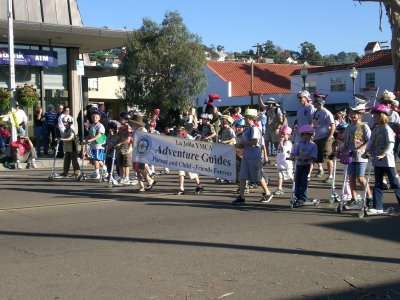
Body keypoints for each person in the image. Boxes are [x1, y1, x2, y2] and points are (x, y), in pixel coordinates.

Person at [362, 104, 400, 213]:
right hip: (377, 161)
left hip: (387, 162)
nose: (373, 118)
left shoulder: (387, 129)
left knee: (395, 184)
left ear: (382, 116)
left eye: (375, 116)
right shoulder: (376, 129)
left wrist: (384, 154)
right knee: (378, 184)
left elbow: (391, 144)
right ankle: (377, 207)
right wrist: (366, 151)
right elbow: (370, 142)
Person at [232, 108, 273, 205]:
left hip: (254, 156)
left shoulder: (254, 129)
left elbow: (254, 141)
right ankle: (241, 196)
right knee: (243, 176)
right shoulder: (247, 130)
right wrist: (241, 145)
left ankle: (267, 193)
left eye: (245, 117)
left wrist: (242, 143)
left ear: (250, 118)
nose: (244, 119)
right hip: (247, 156)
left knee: (257, 176)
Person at [342, 103, 372, 205]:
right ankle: (354, 199)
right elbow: (344, 140)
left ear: (360, 115)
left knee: (360, 177)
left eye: (355, 113)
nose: (352, 115)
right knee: (351, 177)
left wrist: (360, 148)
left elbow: (369, 140)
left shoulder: (364, 126)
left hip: (361, 157)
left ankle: (369, 197)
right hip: (350, 156)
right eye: (351, 113)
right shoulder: (348, 127)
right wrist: (341, 149)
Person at [290, 125, 318, 205]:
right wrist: (292, 156)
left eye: (308, 135)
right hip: (298, 165)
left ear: (311, 136)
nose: (306, 137)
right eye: (304, 135)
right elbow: (294, 152)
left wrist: (307, 158)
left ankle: (302, 198)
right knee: (297, 182)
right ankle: (296, 197)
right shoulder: (299, 144)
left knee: (303, 182)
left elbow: (313, 156)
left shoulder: (313, 145)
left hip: (306, 165)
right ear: (301, 135)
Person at [312, 93, 336, 183]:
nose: (313, 103)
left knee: (328, 156)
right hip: (317, 138)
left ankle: (330, 176)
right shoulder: (316, 112)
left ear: (319, 102)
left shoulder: (326, 112)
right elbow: (315, 124)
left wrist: (329, 137)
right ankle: (320, 171)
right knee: (318, 157)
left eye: (315, 101)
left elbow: (333, 126)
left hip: (325, 138)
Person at [174, 127, 205, 195]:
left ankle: (199, 185)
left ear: (185, 131)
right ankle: (181, 188)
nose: (180, 133)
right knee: (181, 172)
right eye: (179, 131)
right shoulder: (179, 137)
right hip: (182, 157)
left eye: (181, 131)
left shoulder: (189, 138)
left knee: (192, 173)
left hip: (189, 158)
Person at [130, 114, 156, 192]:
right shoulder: (135, 131)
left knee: (139, 168)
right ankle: (141, 186)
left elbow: (146, 140)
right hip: (135, 151)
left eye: (133, 123)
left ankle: (149, 179)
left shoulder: (142, 130)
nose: (132, 124)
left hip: (141, 152)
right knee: (136, 169)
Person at [83, 110, 107, 179]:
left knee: (96, 159)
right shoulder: (92, 126)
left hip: (99, 145)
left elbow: (99, 135)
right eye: (93, 117)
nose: (94, 118)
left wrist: (90, 140)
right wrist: (86, 140)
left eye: (96, 117)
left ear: (99, 118)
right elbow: (90, 135)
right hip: (93, 145)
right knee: (96, 159)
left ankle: (97, 172)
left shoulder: (100, 126)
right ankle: (103, 168)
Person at [273, 125, 294, 195]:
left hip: (286, 164)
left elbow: (283, 151)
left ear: (288, 135)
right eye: (282, 133)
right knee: (280, 176)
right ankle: (279, 188)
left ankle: (297, 185)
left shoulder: (288, 143)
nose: (282, 135)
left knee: (290, 176)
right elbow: (279, 152)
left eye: (284, 134)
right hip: (280, 163)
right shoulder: (281, 143)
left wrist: (281, 143)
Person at [115, 112, 133, 184]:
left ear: (126, 119)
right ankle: (121, 177)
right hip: (121, 148)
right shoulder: (121, 128)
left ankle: (126, 177)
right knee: (120, 164)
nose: (120, 120)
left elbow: (128, 140)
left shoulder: (128, 128)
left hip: (127, 148)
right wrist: (115, 143)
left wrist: (120, 143)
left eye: (121, 119)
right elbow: (119, 137)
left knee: (126, 164)